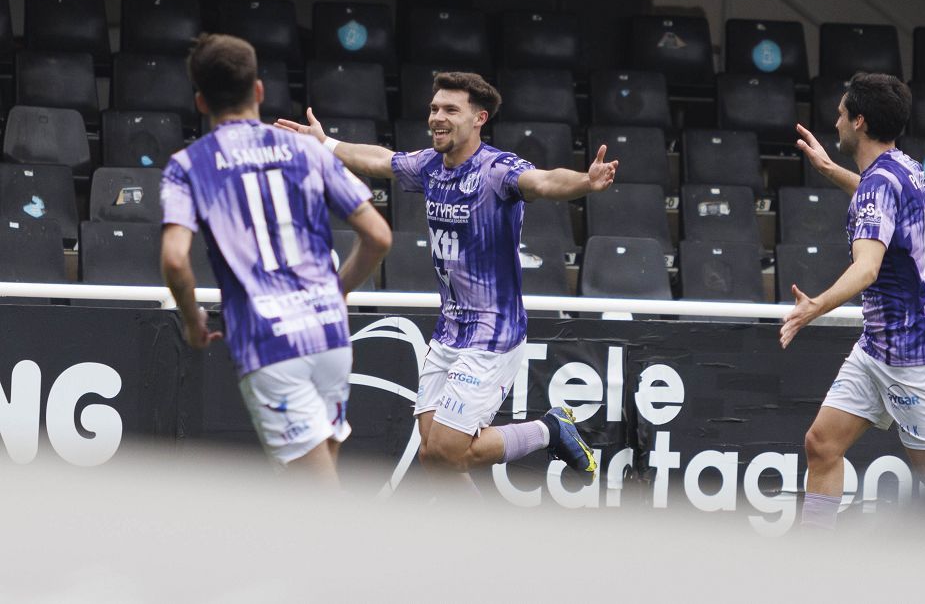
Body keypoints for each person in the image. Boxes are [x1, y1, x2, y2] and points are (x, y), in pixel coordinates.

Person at [276, 71, 617, 492]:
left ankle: (549, 430)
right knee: (432, 453)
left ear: (479, 119)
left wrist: (585, 181)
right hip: (448, 330)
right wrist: (325, 144)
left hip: (493, 333)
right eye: (435, 108)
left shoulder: (498, 170)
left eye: (450, 110)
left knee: (449, 450)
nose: (437, 117)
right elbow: (380, 160)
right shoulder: (430, 166)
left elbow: (543, 181)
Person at [160, 33, 392, 484]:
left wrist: (192, 322)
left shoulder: (188, 165)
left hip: (269, 342)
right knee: (317, 488)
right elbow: (379, 236)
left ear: (201, 102)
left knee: (317, 503)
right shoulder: (309, 151)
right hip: (330, 334)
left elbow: (174, 260)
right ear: (259, 90)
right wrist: (337, 290)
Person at [781, 72, 925, 528]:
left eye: (841, 114)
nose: (836, 121)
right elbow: (874, 199)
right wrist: (827, 169)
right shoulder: (903, 167)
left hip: (912, 355)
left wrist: (816, 306)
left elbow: (867, 268)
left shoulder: (881, 182)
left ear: (859, 122)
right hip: (877, 347)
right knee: (821, 444)